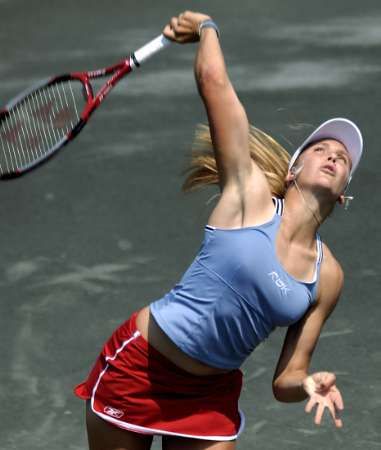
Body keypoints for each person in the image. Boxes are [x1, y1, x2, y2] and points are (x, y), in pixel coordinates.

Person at [74, 10, 364, 450]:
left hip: (208, 397)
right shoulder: (248, 194)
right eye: (320, 148)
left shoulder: (328, 277)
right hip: (142, 368)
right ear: (291, 171)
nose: (332, 156)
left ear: (343, 193)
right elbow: (215, 83)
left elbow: (286, 377)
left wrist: (307, 384)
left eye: (343, 160)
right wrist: (207, 27)